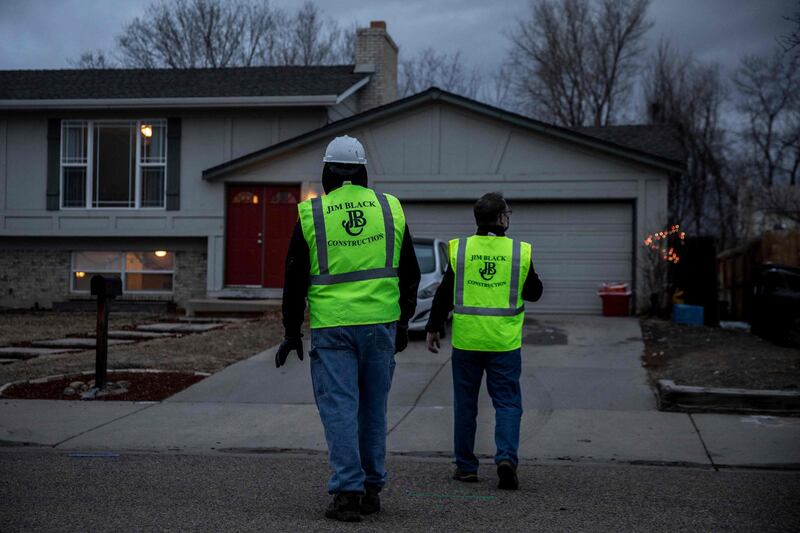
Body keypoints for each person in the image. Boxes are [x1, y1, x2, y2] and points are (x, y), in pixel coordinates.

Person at [275, 135, 420, 522]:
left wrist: (292, 330)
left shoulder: (313, 214)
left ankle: (346, 495)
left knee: (340, 409)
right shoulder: (389, 209)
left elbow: (294, 278)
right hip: (379, 326)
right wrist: (403, 321)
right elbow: (410, 272)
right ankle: (371, 489)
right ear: (363, 172)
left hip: (333, 328)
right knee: (373, 409)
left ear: (327, 171)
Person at [425, 192, 543, 490]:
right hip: (503, 343)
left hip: (467, 342)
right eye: (508, 213)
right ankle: (506, 458)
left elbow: (444, 292)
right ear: (501, 218)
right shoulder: (519, 252)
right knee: (507, 403)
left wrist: (434, 326)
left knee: (465, 405)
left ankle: (466, 468)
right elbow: (534, 293)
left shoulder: (461, 249)